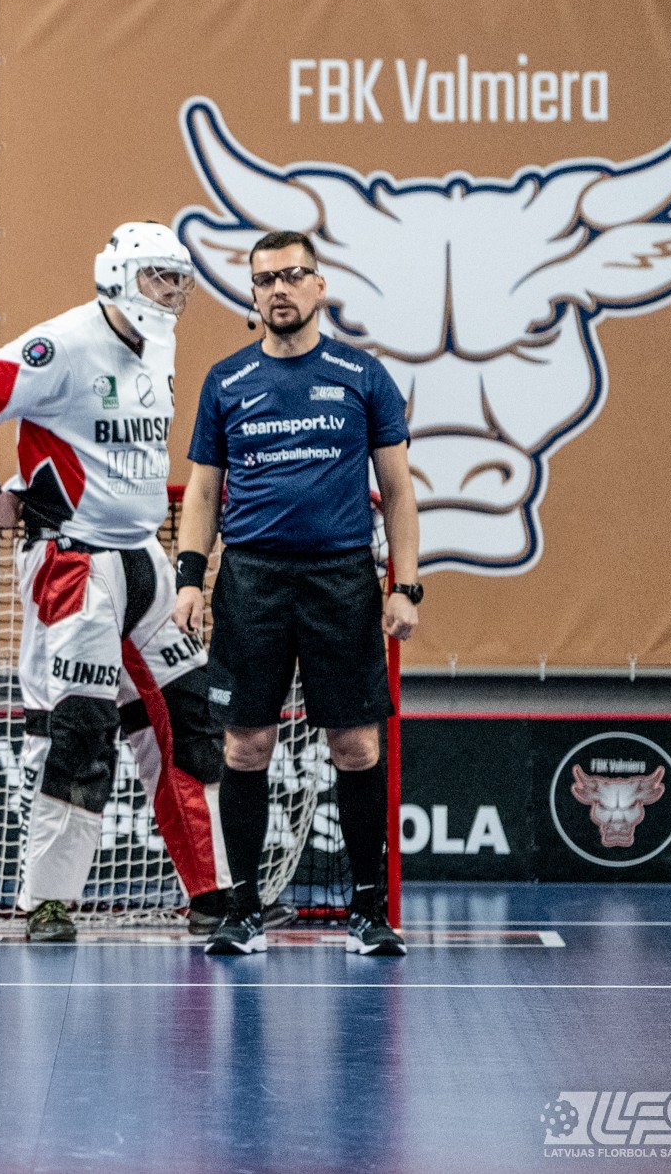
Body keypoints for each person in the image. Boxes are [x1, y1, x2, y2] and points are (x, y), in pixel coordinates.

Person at [0, 221, 228, 944]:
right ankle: (49, 900)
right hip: (73, 563)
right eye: (159, 276)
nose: (173, 291)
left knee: (190, 720)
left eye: (179, 278)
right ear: (121, 276)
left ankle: (213, 890)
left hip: (145, 557)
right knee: (78, 731)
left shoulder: (161, 343)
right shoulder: (61, 345)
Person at [172, 228, 419, 958]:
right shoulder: (226, 380)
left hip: (341, 580)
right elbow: (203, 491)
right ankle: (244, 910)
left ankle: (368, 910)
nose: (278, 289)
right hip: (251, 581)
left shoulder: (362, 375)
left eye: (292, 275)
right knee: (246, 745)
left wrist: (405, 585)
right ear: (252, 293)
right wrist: (190, 579)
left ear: (319, 285)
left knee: (356, 744)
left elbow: (398, 491)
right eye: (265, 279)